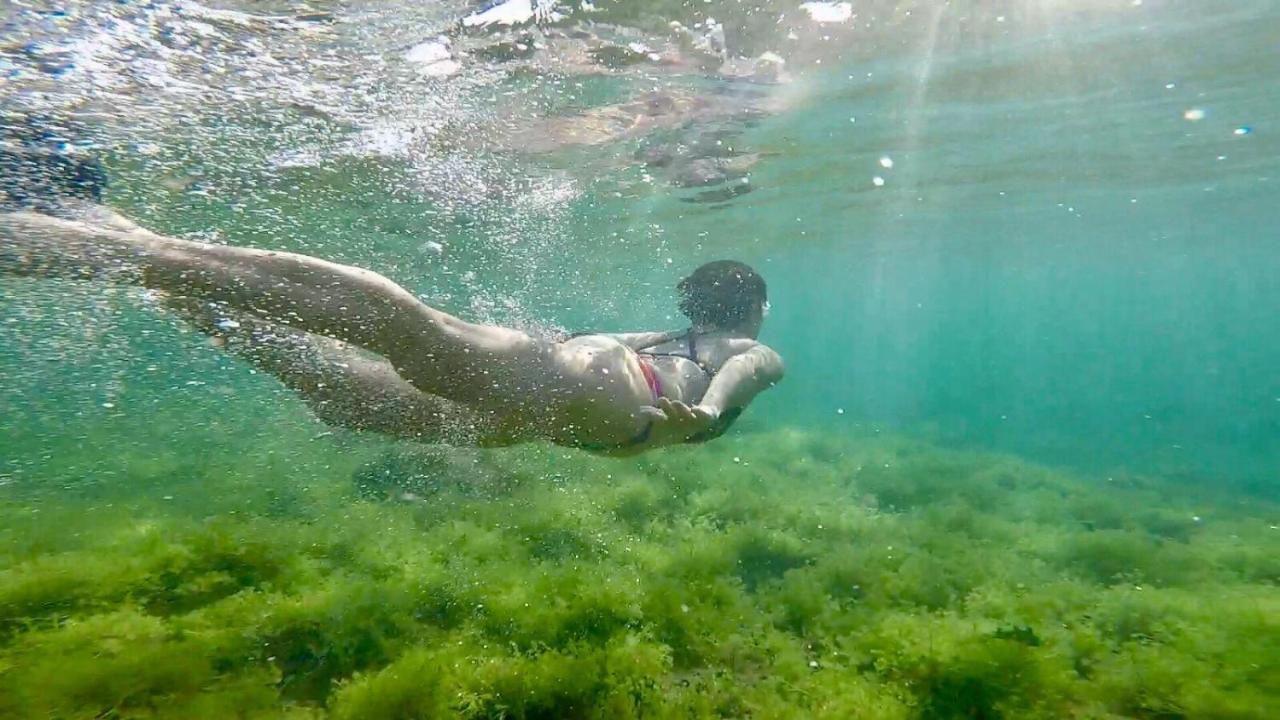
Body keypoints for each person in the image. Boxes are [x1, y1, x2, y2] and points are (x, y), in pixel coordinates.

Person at [0, 130, 783, 456]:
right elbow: (746, 370)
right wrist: (710, 414)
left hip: (560, 404)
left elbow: (586, 347)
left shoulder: (668, 336)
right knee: (406, 329)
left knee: (337, 387)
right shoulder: (741, 347)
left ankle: (117, 234)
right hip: (611, 408)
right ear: (754, 308)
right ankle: (93, 246)